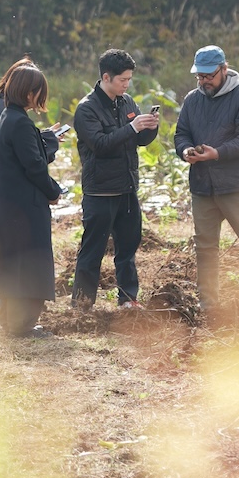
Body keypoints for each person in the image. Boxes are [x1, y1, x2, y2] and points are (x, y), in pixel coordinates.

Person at [174, 44, 239, 320]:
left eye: (209, 75)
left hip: (238, 185)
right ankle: (209, 304)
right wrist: (185, 151)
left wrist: (217, 153)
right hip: (203, 186)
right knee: (205, 245)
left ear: (224, 69)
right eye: (200, 76)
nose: (205, 81)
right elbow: (181, 133)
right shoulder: (192, 100)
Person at [70, 48, 159, 310]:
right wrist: (131, 127)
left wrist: (150, 127)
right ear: (106, 77)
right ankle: (81, 305)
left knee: (128, 248)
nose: (127, 84)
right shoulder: (87, 109)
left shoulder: (127, 101)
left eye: (129, 79)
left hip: (127, 188)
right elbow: (100, 144)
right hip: (100, 192)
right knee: (92, 250)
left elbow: (138, 140)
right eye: (123, 80)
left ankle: (128, 300)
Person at [0, 62, 63, 338]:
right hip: (24, 210)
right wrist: (54, 191)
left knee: (12, 266)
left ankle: (10, 321)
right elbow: (34, 167)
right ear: (29, 93)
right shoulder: (20, 123)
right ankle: (23, 325)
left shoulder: (7, 116)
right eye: (39, 91)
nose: (41, 97)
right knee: (29, 265)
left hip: (9, 208)